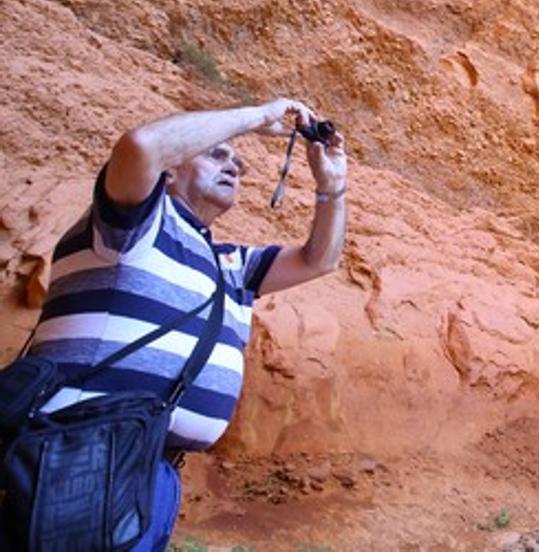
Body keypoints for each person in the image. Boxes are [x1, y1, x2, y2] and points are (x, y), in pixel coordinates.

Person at [23, 98, 348, 551]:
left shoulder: (230, 264)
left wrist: (331, 186)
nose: (235, 166)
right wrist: (257, 117)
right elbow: (141, 146)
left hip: (153, 472)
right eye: (218, 154)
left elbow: (321, 260)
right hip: (79, 453)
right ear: (170, 171)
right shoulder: (133, 225)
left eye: (238, 162)